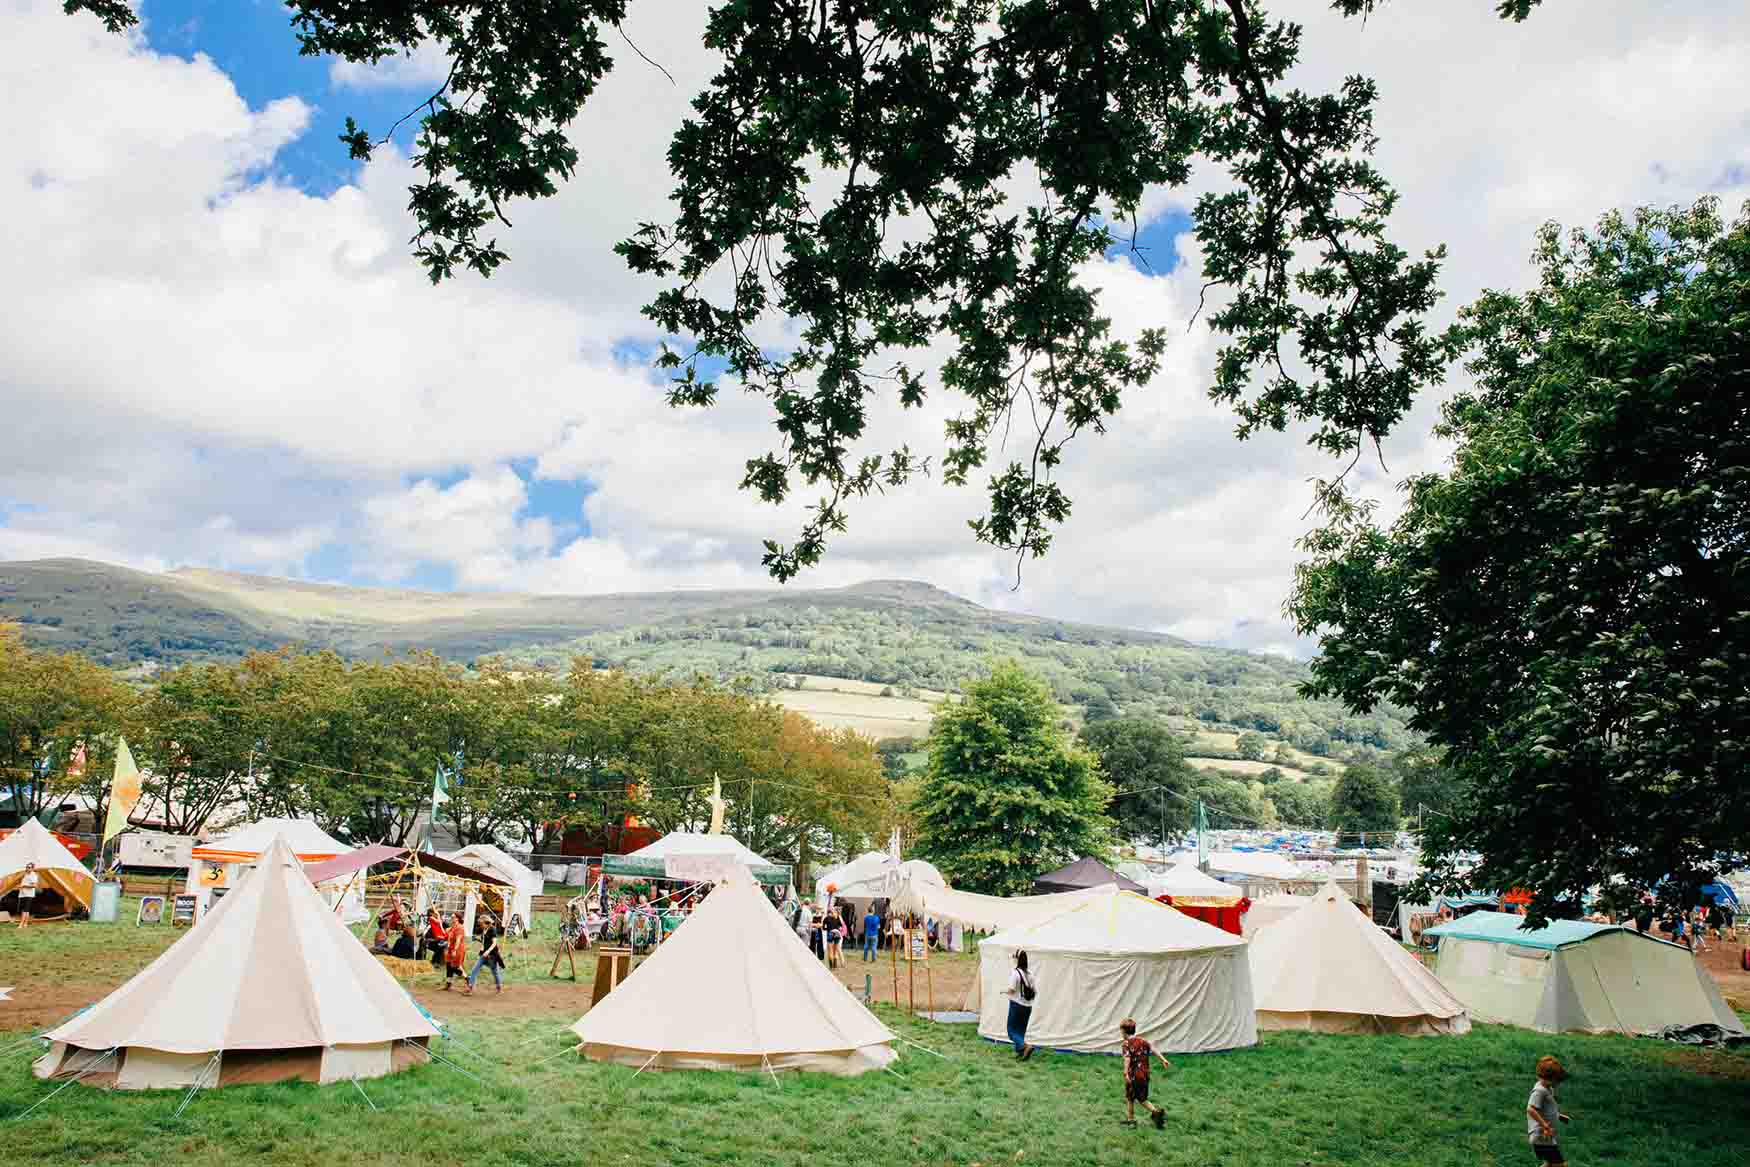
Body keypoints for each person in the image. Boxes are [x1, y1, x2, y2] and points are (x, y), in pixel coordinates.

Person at [1117, 1018, 1170, 1130]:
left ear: (1123, 1032)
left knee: (1139, 1099)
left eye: (1121, 1031)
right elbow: (1153, 1049)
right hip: (1145, 1074)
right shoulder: (1142, 1041)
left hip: (1134, 1076)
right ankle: (1131, 1120)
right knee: (1132, 1097)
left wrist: (1125, 1072)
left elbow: (1127, 1058)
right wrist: (1163, 1059)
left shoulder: (1126, 1044)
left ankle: (1157, 1113)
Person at [1525, 1055, 1572, 1165]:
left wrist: (1559, 1116)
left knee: (1549, 1164)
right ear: (1549, 1078)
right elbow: (1530, 1109)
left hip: (1545, 1138)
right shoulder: (1539, 1091)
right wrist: (1545, 1125)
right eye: (1556, 1080)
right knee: (1560, 1165)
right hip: (1541, 1137)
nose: (1558, 1083)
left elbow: (1545, 1109)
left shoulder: (1548, 1088)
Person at [1007, 950, 1037, 1060]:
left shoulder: (1016, 973)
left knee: (1011, 1031)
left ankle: (1026, 1046)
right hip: (1028, 1006)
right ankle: (1021, 1051)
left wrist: (1004, 991)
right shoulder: (1030, 974)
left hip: (1016, 1004)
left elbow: (1011, 990)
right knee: (1020, 1031)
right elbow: (1034, 991)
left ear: (1018, 959)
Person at [465, 922, 506, 994]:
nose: (481, 925)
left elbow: (494, 943)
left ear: (486, 923)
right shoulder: (484, 929)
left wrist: (488, 951)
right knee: (474, 969)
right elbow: (485, 941)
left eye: (482, 924)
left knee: (495, 972)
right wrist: (477, 939)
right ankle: (470, 988)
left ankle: (499, 987)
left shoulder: (492, 929)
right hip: (483, 955)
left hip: (491, 955)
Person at [443, 912, 467, 989]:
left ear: (457, 918)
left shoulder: (460, 927)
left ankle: (468, 979)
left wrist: (455, 950)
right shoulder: (452, 927)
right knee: (448, 966)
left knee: (455, 967)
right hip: (450, 949)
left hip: (457, 949)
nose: (451, 918)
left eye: (453, 917)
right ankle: (448, 984)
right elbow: (446, 935)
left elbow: (458, 940)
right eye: (451, 917)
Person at [16, 862, 39, 929]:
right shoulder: (26, 874)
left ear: (32, 868)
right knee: (26, 910)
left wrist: (24, 885)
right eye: (27, 867)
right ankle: (25, 923)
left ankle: (21, 924)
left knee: (25, 910)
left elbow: (34, 885)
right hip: (23, 894)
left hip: (28, 894)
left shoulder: (33, 875)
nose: (27, 868)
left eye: (29, 867)